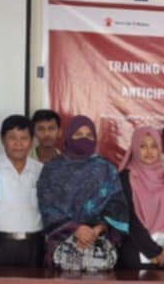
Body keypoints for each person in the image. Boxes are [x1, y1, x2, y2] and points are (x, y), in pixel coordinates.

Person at [37, 115, 130, 271]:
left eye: (89, 135)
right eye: (78, 134)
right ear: (68, 136)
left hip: (98, 247)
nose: (84, 139)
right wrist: (76, 228)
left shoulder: (106, 169)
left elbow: (117, 207)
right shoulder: (52, 169)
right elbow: (47, 206)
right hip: (62, 245)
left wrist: (97, 229)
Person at [118, 126, 164, 270]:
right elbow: (129, 219)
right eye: (143, 146)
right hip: (136, 251)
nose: (149, 151)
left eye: (154, 146)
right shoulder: (125, 178)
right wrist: (154, 251)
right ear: (135, 148)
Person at [0, 115, 44, 269]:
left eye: (24, 138)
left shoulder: (41, 170)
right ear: (2, 140)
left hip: (34, 243)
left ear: (32, 141)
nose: (18, 144)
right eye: (12, 138)